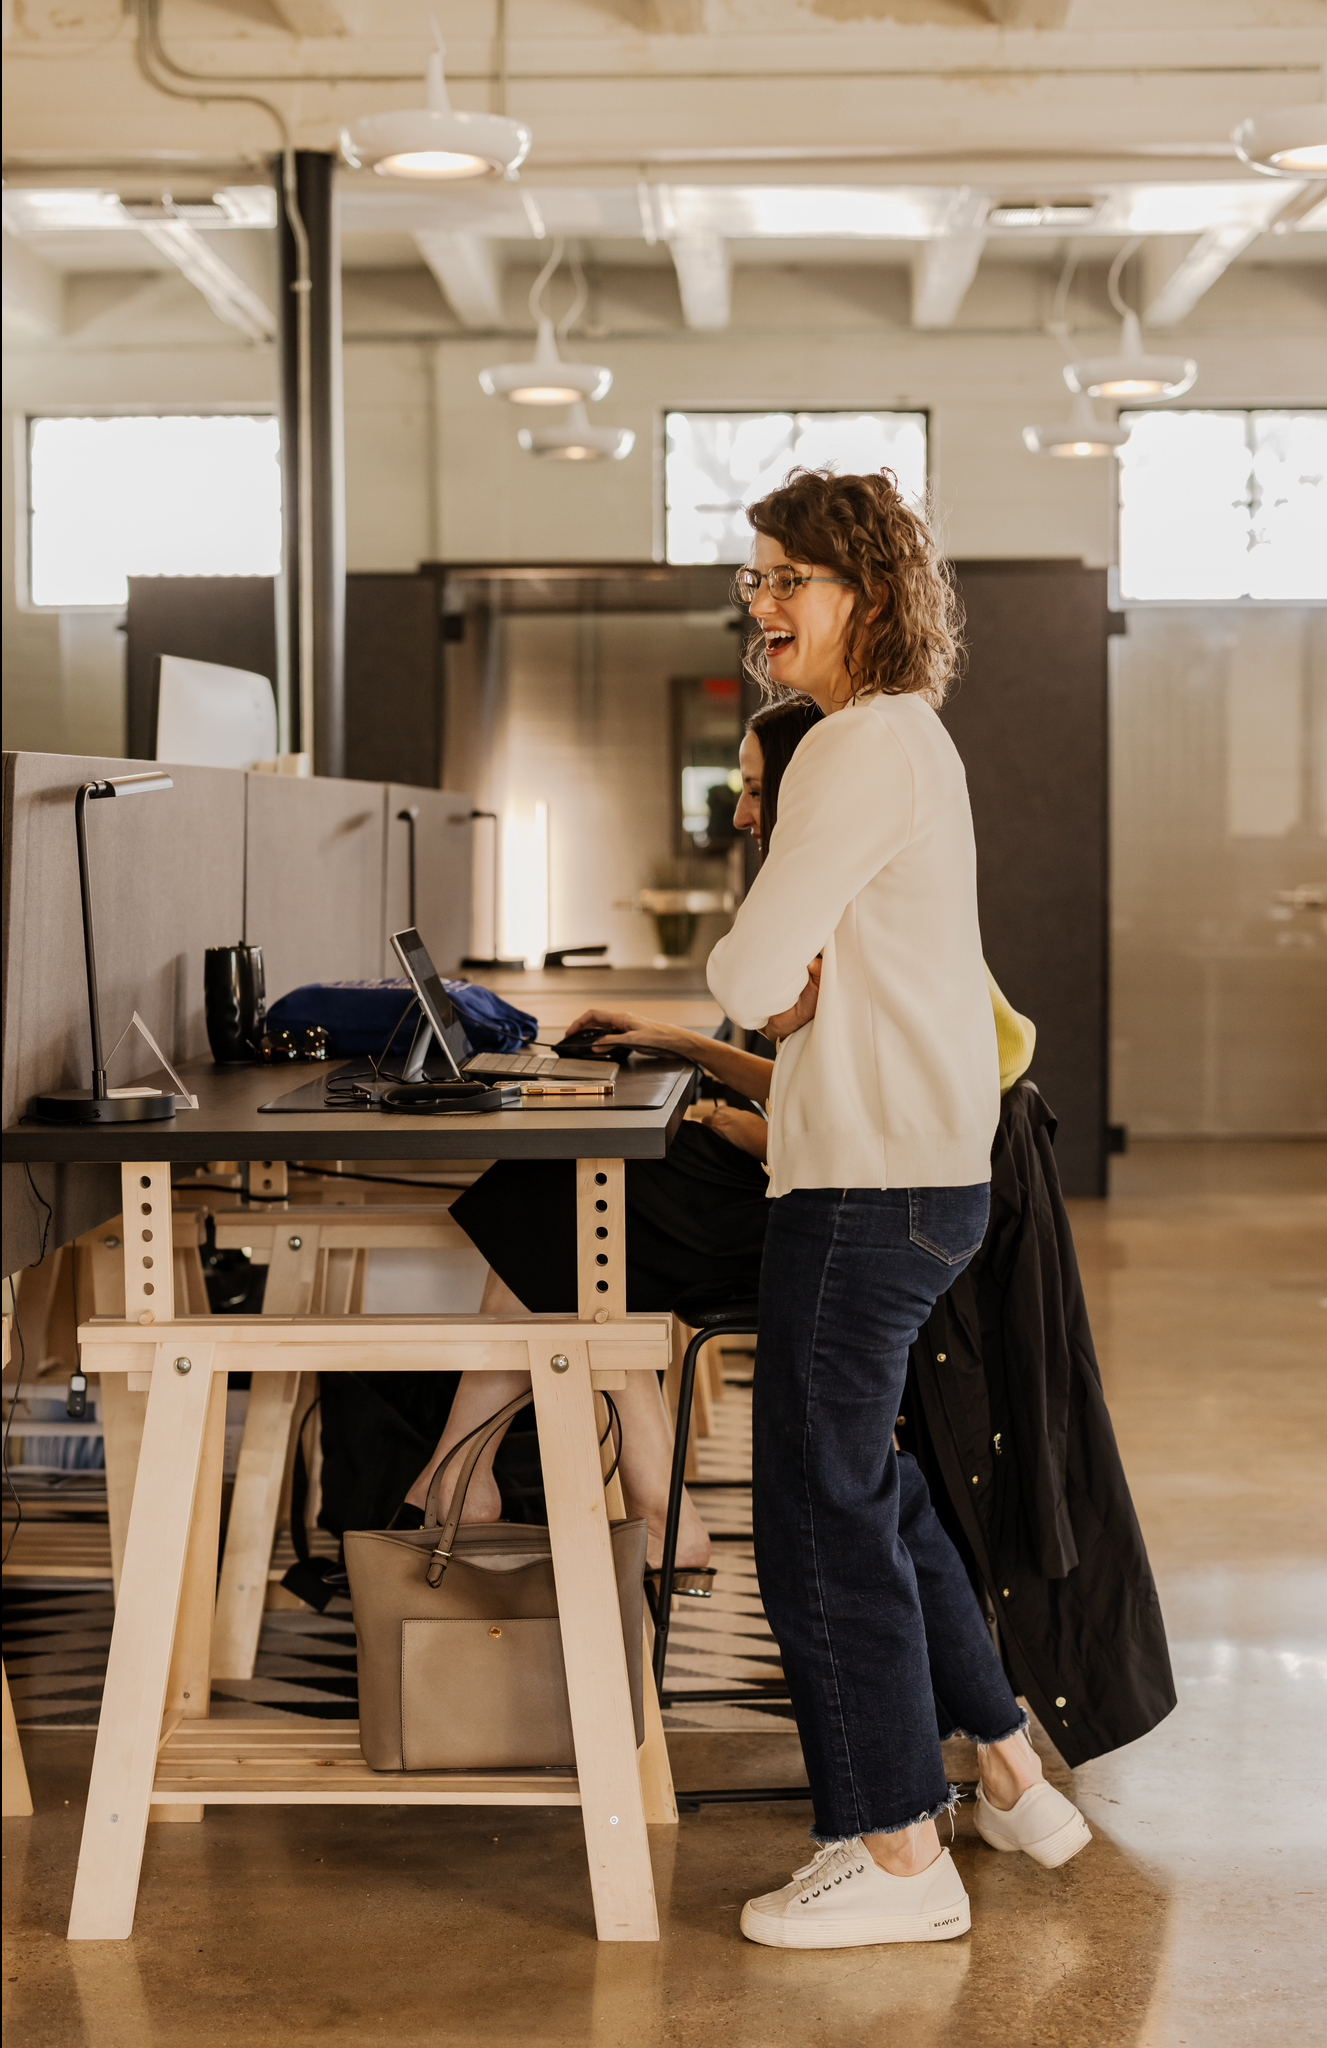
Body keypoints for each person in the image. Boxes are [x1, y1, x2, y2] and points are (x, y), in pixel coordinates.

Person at [706, 467, 1091, 1953]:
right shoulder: (903, 736)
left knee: (816, 1513)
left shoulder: (855, 746)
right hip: (916, 1174)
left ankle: (888, 1852)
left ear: (864, 593)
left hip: (864, 1182)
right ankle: (1003, 1762)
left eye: (784, 579)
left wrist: (772, 982)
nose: (760, 604)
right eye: (752, 579)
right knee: (862, 1479)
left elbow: (749, 974)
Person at [396, 698, 825, 1571]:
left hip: (814, 1216)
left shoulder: (830, 903)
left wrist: (737, 1126)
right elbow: (811, 1083)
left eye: (755, 789)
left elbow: (822, 1101)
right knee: (579, 1204)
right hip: (792, 1184)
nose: (740, 813)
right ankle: (628, 1496)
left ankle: (466, 1475)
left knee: (566, 1198)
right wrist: (681, 1045)